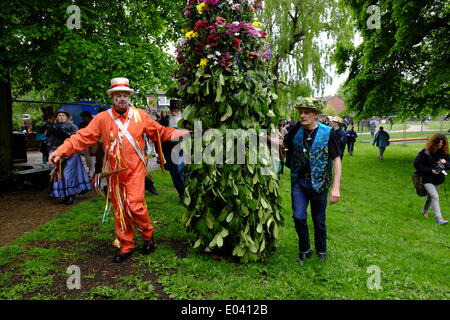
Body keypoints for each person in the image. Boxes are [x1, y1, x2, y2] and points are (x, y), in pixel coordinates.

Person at [48, 78, 190, 262]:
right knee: (120, 209)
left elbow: (159, 131)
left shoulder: (140, 116)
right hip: (114, 172)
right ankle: (126, 245)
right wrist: (60, 151)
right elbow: (81, 137)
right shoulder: (102, 119)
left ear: (129, 97)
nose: (122, 99)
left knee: (135, 204)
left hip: (135, 169)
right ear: (112, 97)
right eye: (118, 96)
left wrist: (179, 133)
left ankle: (148, 236)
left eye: (125, 95)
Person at [282, 97, 342, 262]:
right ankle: (305, 249)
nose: (302, 115)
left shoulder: (327, 132)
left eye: (306, 112)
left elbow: (337, 159)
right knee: (299, 217)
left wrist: (335, 188)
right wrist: (261, 137)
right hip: (299, 182)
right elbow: (283, 144)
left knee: (319, 220)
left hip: (320, 183)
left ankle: (321, 250)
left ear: (315, 114)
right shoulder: (296, 129)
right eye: (300, 112)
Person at [46, 109, 93, 205]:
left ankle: (70, 195)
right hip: (59, 154)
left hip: (72, 153)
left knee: (68, 173)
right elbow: (49, 141)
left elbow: (77, 140)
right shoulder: (52, 128)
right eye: (59, 115)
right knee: (59, 173)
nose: (61, 117)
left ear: (67, 117)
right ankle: (65, 193)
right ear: (56, 118)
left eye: (63, 115)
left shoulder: (73, 127)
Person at [413, 134, 450, 225]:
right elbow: (416, 163)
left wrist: (445, 163)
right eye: (439, 143)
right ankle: (439, 219)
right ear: (434, 142)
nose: (440, 144)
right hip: (426, 178)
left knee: (430, 197)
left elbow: (449, 164)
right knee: (435, 196)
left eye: (442, 143)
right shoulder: (425, 152)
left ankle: (424, 211)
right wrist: (430, 170)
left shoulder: (444, 153)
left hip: (438, 179)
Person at [161, 99, 187, 202]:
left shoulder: (185, 120)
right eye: (172, 110)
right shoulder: (165, 121)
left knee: (181, 171)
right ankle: (182, 193)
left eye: (176, 110)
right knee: (175, 173)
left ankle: (186, 193)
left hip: (183, 149)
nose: (174, 112)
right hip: (170, 150)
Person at [79, 111, 96, 179]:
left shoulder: (94, 123)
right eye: (83, 117)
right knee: (87, 159)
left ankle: (91, 174)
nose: (83, 118)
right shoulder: (81, 124)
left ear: (89, 117)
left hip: (93, 143)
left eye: (85, 116)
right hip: (85, 144)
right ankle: (91, 171)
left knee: (92, 156)